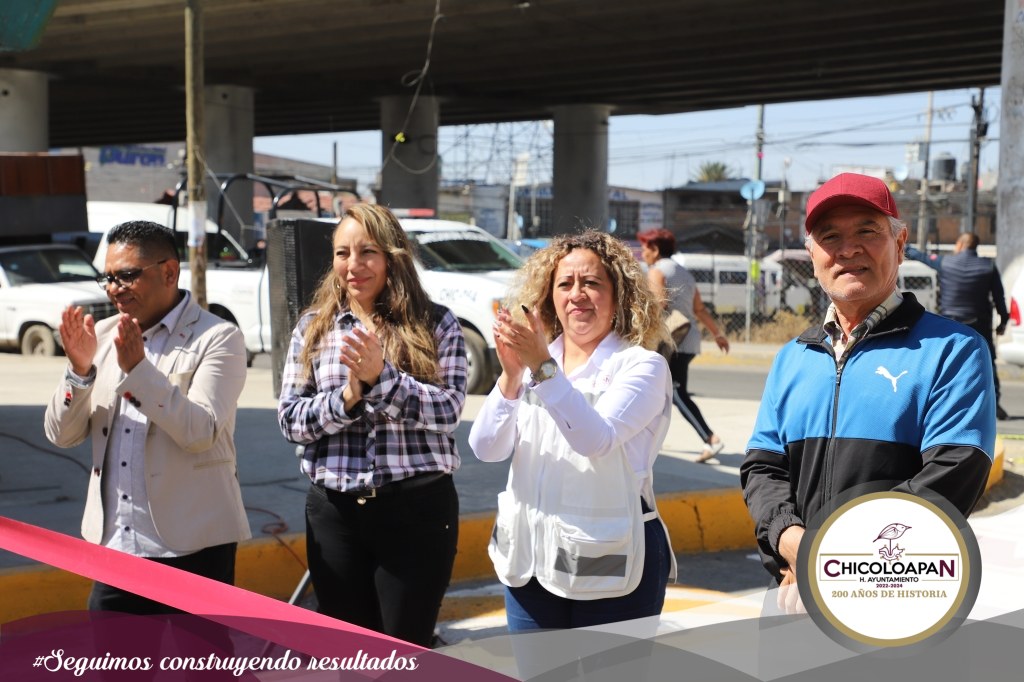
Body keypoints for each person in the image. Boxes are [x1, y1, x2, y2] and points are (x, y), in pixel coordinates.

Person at [740, 173, 995, 611]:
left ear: (899, 244)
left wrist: (835, 562)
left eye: (867, 231)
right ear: (812, 254)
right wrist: (791, 542)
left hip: (894, 606)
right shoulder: (792, 357)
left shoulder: (953, 350)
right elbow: (762, 468)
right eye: (830, 236)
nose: (848, 248)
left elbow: (953, 473)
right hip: (792, 598)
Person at [468, 230, 676, 633]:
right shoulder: (535, 364)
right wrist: (511, 377)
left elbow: (594, 441)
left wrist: (542, 368)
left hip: (609, 567)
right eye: (565, 284)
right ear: (550, 298)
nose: (576, 294)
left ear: (618, 297)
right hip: (529, 563)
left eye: (592, 283)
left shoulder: (641, 366)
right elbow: (486, 448)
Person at [277, 203, 465, 647]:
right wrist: (348, 397)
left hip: (418, 513)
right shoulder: (313, 328)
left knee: (405, 652)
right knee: (350, 655)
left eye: (367, 252)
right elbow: (290, 421)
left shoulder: (436, 324)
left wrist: (383, 381)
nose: (353, 265)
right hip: (335, 514)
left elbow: (449, 410)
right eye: (343, 253)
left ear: (392, 257)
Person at [44, 220, 251, 614]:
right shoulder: (102, 336)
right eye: (108, 277)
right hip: (119, 548)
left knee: (202, 671)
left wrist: (139, 371)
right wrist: (80, 372)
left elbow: (200, 431)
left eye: (126, 276)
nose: (113, 289)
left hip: (195, 544)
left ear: (169, 271)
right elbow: (60, 435)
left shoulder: (218, 337)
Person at [638, 228, 730, 463]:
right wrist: (717, 334)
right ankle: (644, 441)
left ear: (655, 249)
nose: (643, 252)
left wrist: (638, 332)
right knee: (659, 392)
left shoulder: (657, 272)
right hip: (688, 339)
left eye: (645, 247)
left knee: (675, 392)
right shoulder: (685, 273)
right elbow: (699, 308)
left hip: (670, 341)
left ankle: (711, 439)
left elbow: (658, 305)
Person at [905, 232, 1010, 419]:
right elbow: (999, 298)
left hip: (950, 324)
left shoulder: (946, 263)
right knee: (987, 362)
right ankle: (995, 406)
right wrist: (1003, 321)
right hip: (979, 324)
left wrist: (902, 245)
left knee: (943, 364)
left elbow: (918, 255)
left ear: (960, 244)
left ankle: (941, 406)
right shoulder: (988, 267)